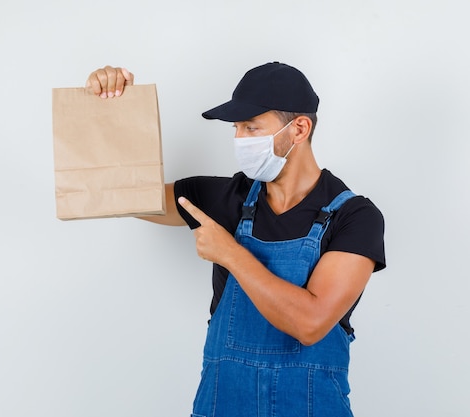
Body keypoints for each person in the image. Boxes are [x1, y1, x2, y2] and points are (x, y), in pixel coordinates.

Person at [85, 62, 386, 417]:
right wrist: (116, 107)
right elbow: (118, 193)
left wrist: (230, 253)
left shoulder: (355, 217)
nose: (240, 139)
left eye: (252, 127)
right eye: (236, 128)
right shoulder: (225, 199)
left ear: (299, 128)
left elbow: (310, 323)